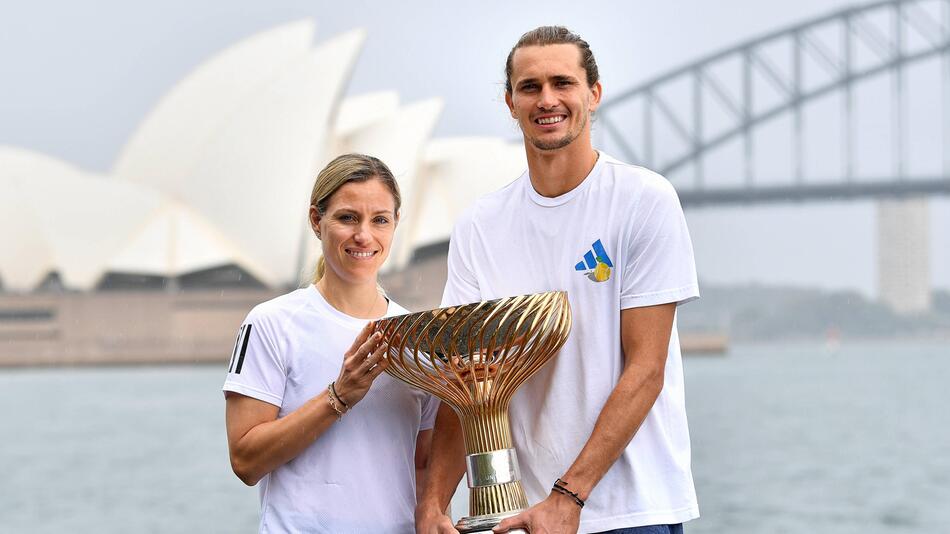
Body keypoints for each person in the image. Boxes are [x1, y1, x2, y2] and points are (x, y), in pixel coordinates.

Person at [416, 26, 700, 534]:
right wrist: (433, 503)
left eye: (562, 83)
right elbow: (466, 383)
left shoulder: (644, 199)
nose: (547, 100)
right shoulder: (480, 224)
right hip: (524, 518)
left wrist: (568, 496)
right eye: (530, 87)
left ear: (593, 93)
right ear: (510, 102)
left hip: (633, 511)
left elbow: (646, 369)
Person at [223, 153, 438, 533]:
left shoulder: (417, 338)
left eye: (380, 220)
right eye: (347, 217)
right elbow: (245, 462)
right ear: (316, 221)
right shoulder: (272, 324)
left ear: (395, 225)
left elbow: (423, 465)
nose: (363, 236)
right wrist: (338, 396)